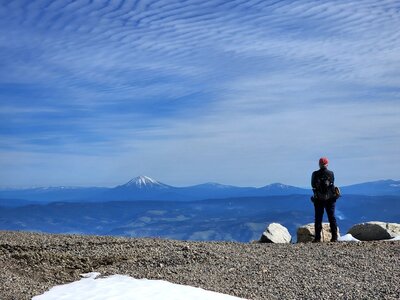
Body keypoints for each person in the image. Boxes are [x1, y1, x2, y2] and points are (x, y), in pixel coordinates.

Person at [311, 157, 338, 242]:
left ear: (319, 164)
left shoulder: (315, 174)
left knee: (318, 218)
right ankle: (334, 237)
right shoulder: (331, 173)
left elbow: (313, 185)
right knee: (332, 217)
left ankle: (317, 238)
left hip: (318, 199)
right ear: (327, 164)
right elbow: (332, 182)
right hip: (330, 199)